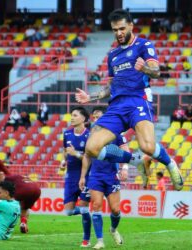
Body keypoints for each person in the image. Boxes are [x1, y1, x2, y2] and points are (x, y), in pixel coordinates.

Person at [75, 9, 183, 191]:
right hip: (116, 107)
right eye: (115, 30)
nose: (119, 33)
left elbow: (157, 72)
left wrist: (145, 69)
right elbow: (111, 87)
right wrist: (90, 97)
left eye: (122, 28)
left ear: (131, 26)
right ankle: (136, 161)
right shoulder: (112, 55)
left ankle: (170, 163)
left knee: (147, 147)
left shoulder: (144, 45)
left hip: (138, 101)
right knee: (91, 148)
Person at [79, 108, 129, 248]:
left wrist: (124, 168)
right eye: (94, 117)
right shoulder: (91, 135)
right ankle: (100, 241)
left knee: (115, 210)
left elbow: (126, 150)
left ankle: (113, 229)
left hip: (112, 176)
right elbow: (87, 156)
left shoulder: (116, 133)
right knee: (96, 206)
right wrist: (83, 176)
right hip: (95, 176)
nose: (96, 119)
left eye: (99, 117)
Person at [60, 107, 92, 247]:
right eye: (71, 115)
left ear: (83, 119)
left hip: (86, 176)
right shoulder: (67, 133)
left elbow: (89, 158)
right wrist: (63, 160)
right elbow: (65, 151)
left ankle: (86, 239)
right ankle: (87, 211)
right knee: (68, 211)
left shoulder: (89, 136)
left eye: (75, 115)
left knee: (84, 207)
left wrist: (76, 154)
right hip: (70, 176)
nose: (71, 118)